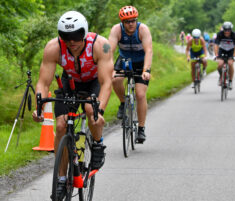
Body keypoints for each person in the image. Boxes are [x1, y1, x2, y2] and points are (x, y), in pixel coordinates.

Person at [32, 11, 113, 199]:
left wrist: (99, 111)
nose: (72, 41)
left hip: (94, 81)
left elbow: (107, 82)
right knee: (60, 125)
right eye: (66, 36)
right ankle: (61, 179)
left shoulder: (101, 46)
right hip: (71, 82)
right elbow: (43, 83)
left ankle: (98, 144)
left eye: (77, 35)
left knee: (90, 110)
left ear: (84, 32)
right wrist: (39, 108)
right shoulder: (53, 47)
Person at [108, 6, 153, 143]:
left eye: (133, 20)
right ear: (122, 22)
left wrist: (146, 70)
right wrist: (109, 69)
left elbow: (149, 51)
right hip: (124, 60)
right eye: (127, 21)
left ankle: (141, 128)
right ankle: (123, 103)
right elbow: (109, 51)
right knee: (115, 80)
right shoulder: (116, 30)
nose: (131, 24)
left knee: (140, 94)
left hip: (141, 63)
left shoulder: (143, 30)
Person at [214, 21, 235, 90]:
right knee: (220, 64)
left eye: (229, 30)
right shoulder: (220, 34)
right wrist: (216, 54)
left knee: (230, 64)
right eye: (225, 30)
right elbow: (216, 45)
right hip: (222, 50)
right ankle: (221, 76)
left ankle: (230, 81)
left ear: (231, 30)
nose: (227, 32)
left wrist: (234, 56)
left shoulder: (234, 35)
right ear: (223, 29)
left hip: (231, 50)